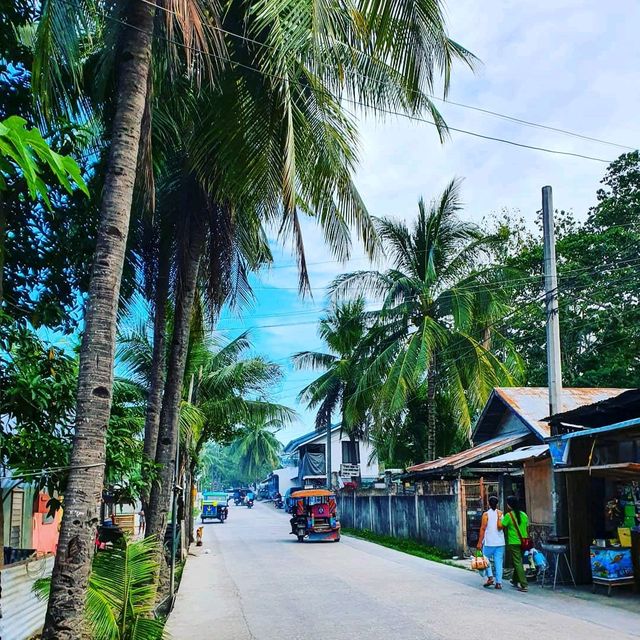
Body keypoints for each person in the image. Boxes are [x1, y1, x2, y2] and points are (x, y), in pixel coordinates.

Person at [502, 495, 529, 592]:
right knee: (518, 561)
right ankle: (514, 580)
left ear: (509, 505)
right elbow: (527, 527)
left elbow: (501, 525)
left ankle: (524, 584)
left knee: (517, 562)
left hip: (514, 542)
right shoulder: (524, 515)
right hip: (524, 541)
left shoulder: (508, 516)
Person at [477, 495, 505, 589]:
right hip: (500, 542)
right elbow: (502, 526)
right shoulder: (501, 513)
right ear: (497, 504)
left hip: (489, 542)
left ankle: (490, 577)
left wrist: (479, 542)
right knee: (498, 562)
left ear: (488, 504)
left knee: (486, 559)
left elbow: (483, 529)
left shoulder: (486, 514)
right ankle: (499, 583)